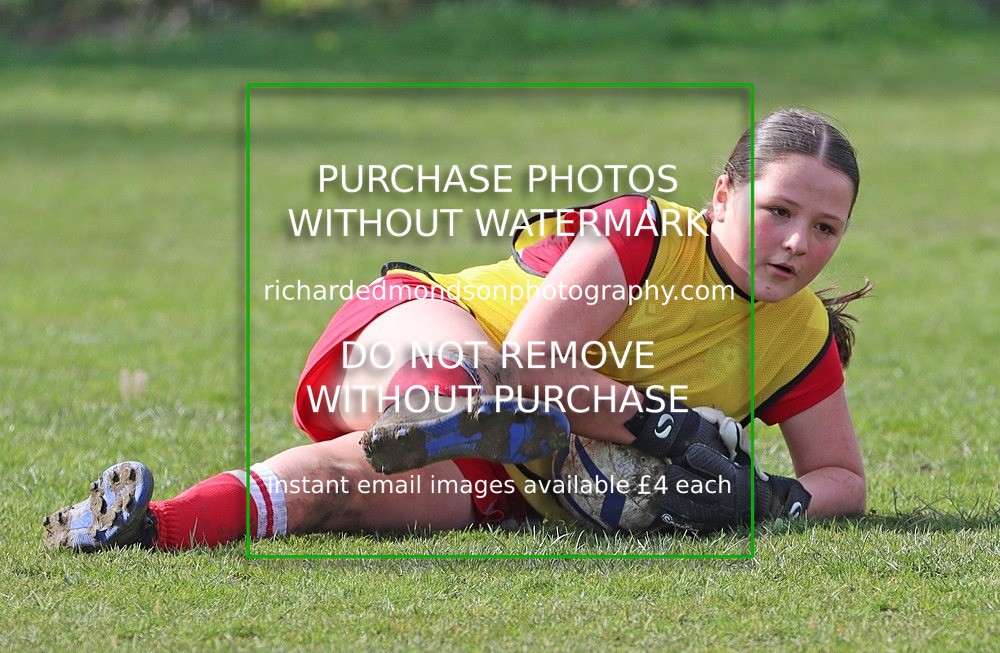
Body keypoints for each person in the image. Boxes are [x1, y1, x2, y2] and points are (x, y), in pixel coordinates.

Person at [44, 107, 870, 552]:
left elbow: (843, 476)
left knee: (336, 491)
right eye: (778, 211)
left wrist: (770, 500)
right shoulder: (647, 234)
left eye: (826, 228)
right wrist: (671, 427)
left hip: (508, 467)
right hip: (419, 335)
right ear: (722, 196)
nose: (800, 243)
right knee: (481, 382)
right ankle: (481, 428)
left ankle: (143, 527)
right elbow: (532, 362)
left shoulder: (797, 333)